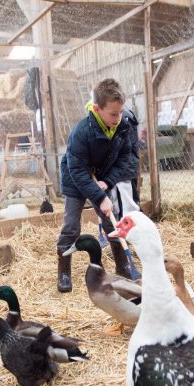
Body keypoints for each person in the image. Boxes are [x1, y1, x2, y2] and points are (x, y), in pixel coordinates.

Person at [56, 78, 135, 292]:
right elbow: (78, 171)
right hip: (76, 178)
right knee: (72, 225)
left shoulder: (122, 126)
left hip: (100, 177)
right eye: (112, 114)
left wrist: (107, 182)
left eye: (120, 112)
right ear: (97, 109)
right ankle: (63, 272)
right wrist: (100, 198)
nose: (118, 118)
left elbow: (123, 159)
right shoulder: (82, 132)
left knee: (112, 222)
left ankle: (123, 265)